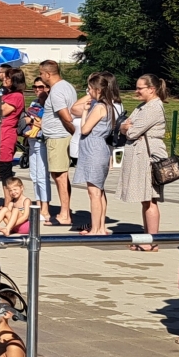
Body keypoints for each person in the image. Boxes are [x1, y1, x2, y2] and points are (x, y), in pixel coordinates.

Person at [119, 74, 169, 250]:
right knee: (144, 199)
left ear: (151, 89)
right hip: (140, 155)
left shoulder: (154, 107)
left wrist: (127, 128)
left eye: (140, 88)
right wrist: (125, 127)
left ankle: (151, 241)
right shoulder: (143, 106)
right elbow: (125, 125)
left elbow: (131, 132)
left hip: (149, 157)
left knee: (150, 198)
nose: (136, 91)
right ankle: (147, 237)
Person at [72, 72, 121, 236]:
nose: (89, 92)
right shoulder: (109, 106)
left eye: (90, 89)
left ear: (98, 90)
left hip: (93, 149)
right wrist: (86, 109)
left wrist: (86, 111)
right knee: (98, 190)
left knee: (94, 192)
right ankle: (100, 227)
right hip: (98, 148)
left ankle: (96, 228)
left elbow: (85, 129)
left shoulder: (100, 106)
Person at [38, 60, 77, 226]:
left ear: (48, 74)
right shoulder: (67, 86)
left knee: (60, 175)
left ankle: (64, 214)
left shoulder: (57, 91)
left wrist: (75, 134)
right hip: (59, 136)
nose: (40, 77)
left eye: (41, 73)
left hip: (58, 137)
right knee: (61, 175)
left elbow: (66, 116)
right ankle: (65, 211)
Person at [0, 68, 27, 187]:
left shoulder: (16, 96)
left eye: (8, 77)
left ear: (15, 81)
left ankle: (8, 203)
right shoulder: (6, 94)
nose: (4, 79)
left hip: (5, 136)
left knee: (5, 172)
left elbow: (0, 111)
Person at [23, 77, 52, 222]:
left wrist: (32, 121)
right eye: (35, 87)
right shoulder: (34, 102)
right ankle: (38, 204)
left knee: (42, 175)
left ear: (48, 87)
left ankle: (46, 208)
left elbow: (48, 122)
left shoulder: (50, 103)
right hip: (32, 140)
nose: (37, 90)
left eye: (41, 87)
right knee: (34, 175)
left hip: (43, 141)